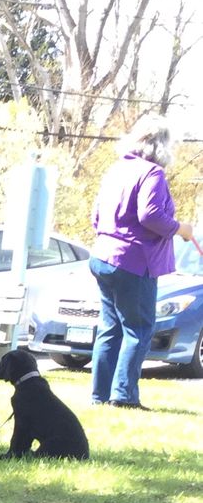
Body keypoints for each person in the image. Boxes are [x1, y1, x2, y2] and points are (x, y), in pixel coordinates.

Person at [88, 115, 194, 409]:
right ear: (161, 145)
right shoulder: (153, 173)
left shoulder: (116, 170)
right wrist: (180, 228)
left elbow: (95, 217)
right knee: (139, 330)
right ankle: (123, 397)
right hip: (134, 262)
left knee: (110, 329)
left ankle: (99, 396)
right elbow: (150, 215)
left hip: (103, 255)